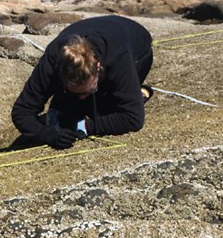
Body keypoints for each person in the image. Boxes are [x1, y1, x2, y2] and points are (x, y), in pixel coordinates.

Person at [11, 15, 153, 150]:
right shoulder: (52, 60)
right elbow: (21, 112)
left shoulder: (117, 56)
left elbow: (133, 119)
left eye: (88, 90)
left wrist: (83, 127)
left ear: (98, 67)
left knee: (104, 110)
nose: (82, 97)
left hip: (139, 52)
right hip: (91, 33)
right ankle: (78, 94)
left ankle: (137, 93)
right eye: (74, 91)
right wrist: (48, 135)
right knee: (69, 109)